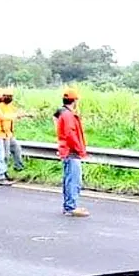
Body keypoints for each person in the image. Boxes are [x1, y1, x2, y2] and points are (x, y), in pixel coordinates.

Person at [56, 88, 90, 217]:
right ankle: (71, 207)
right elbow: (71, 134)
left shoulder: (63, 113)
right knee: (73, 180)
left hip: (67, 151)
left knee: (69, 179)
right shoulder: (69, 115)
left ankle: (69, 206)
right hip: (72, 151)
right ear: (75, 101)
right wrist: (80, 149)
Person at [0, 88, 25, 174]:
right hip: (2, 133)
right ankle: (3, 172)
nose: (9, 98)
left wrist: (24, 115)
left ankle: (18, 167)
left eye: (10, 96)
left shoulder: (10, 107)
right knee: (5, 155)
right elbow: (5, 117)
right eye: (7, 96)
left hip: (9, 134)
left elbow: (15, 116)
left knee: (17, 149)